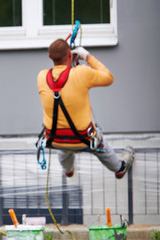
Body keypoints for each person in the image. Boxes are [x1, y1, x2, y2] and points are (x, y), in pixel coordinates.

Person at [36, 38, 134, 179]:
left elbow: (63, 76)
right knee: (101, 146)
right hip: (84, 138)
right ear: (70, 55)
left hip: (54, 139)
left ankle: (68, 170)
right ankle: (119, 169)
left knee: (64, 147)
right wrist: (87, 56)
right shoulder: (81, 73)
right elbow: (108, 78)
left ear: (49, 57)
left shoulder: (41, 76)